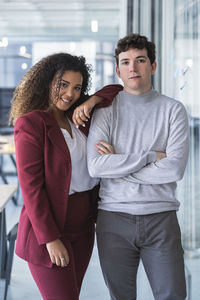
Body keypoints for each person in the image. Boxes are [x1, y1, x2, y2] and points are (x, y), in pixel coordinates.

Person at [9, 52, 121, 300]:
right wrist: (50, 239)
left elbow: (117, 89)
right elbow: (31, 188)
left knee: (73, 294)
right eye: (63, 85)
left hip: (84, 226)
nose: (70, 93)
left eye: (77, 87)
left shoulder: (78, 117)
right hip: (50, 227)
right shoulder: (32, 123)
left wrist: (92, 101)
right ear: (48, 82)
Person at [86, 33, 189, 300]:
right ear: (118, 69)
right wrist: (149, 156)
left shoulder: (173, 110)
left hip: (161, 219)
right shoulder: (104, 111)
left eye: (140, 60)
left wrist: (118, 164)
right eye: (126, 62)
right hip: (113, 219)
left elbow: (174, 169)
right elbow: (96, 166)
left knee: (173, 295)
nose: (133, 67)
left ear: (152, 66)